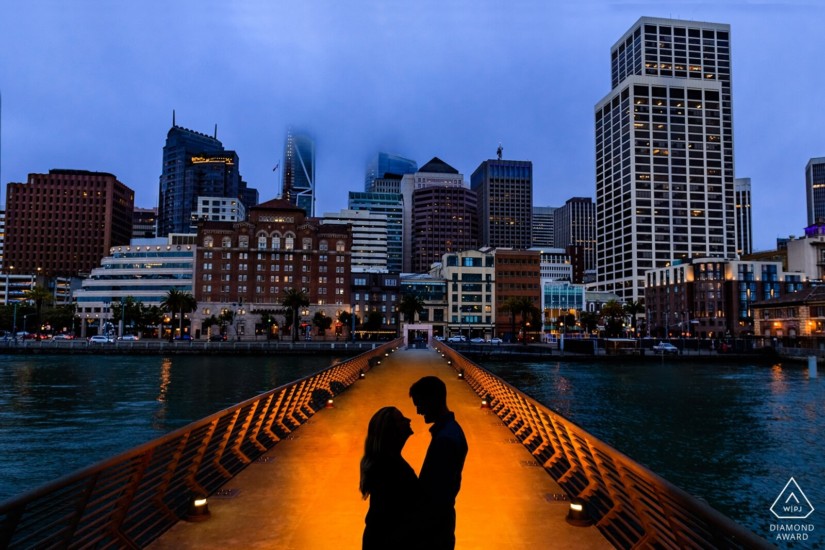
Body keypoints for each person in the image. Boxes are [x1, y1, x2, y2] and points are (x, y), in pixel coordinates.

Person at [409, 376, 468, 550]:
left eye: (420, 404)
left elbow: (435, 492)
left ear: (433, 400)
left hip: (435, 528)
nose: (419, 411)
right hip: (443, 522)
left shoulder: (445, 439)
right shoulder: (452, 431)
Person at [359, 406, 420, 550]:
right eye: (401, 420)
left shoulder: (384, 462)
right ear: (392, 431)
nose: (408, 420)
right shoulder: (390, 468)